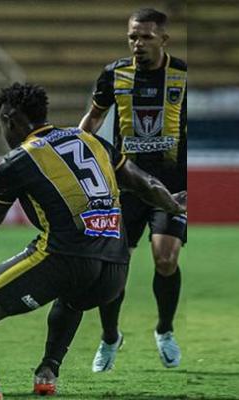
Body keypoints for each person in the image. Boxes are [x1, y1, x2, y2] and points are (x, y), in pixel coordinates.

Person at [0, 83, 186, 399]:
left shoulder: (18, 160)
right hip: (116, 271)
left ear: (11, 119)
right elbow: (143, 183)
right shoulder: (91, 140)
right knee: (72, 297)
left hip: (65, 259)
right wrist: (174, 205)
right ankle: (48, 371)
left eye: (3, 125)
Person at [79, 8, 187, 371]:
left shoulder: (183, 76)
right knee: (113, 265)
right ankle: (110, 337)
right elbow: (92, 121)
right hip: (126, 182)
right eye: (132, 37)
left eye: (146, 37)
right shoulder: (114, 74)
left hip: (172, 185)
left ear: (164, 40)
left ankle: (165, 330)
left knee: (166, 259)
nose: (138, 44)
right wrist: (80, 156)